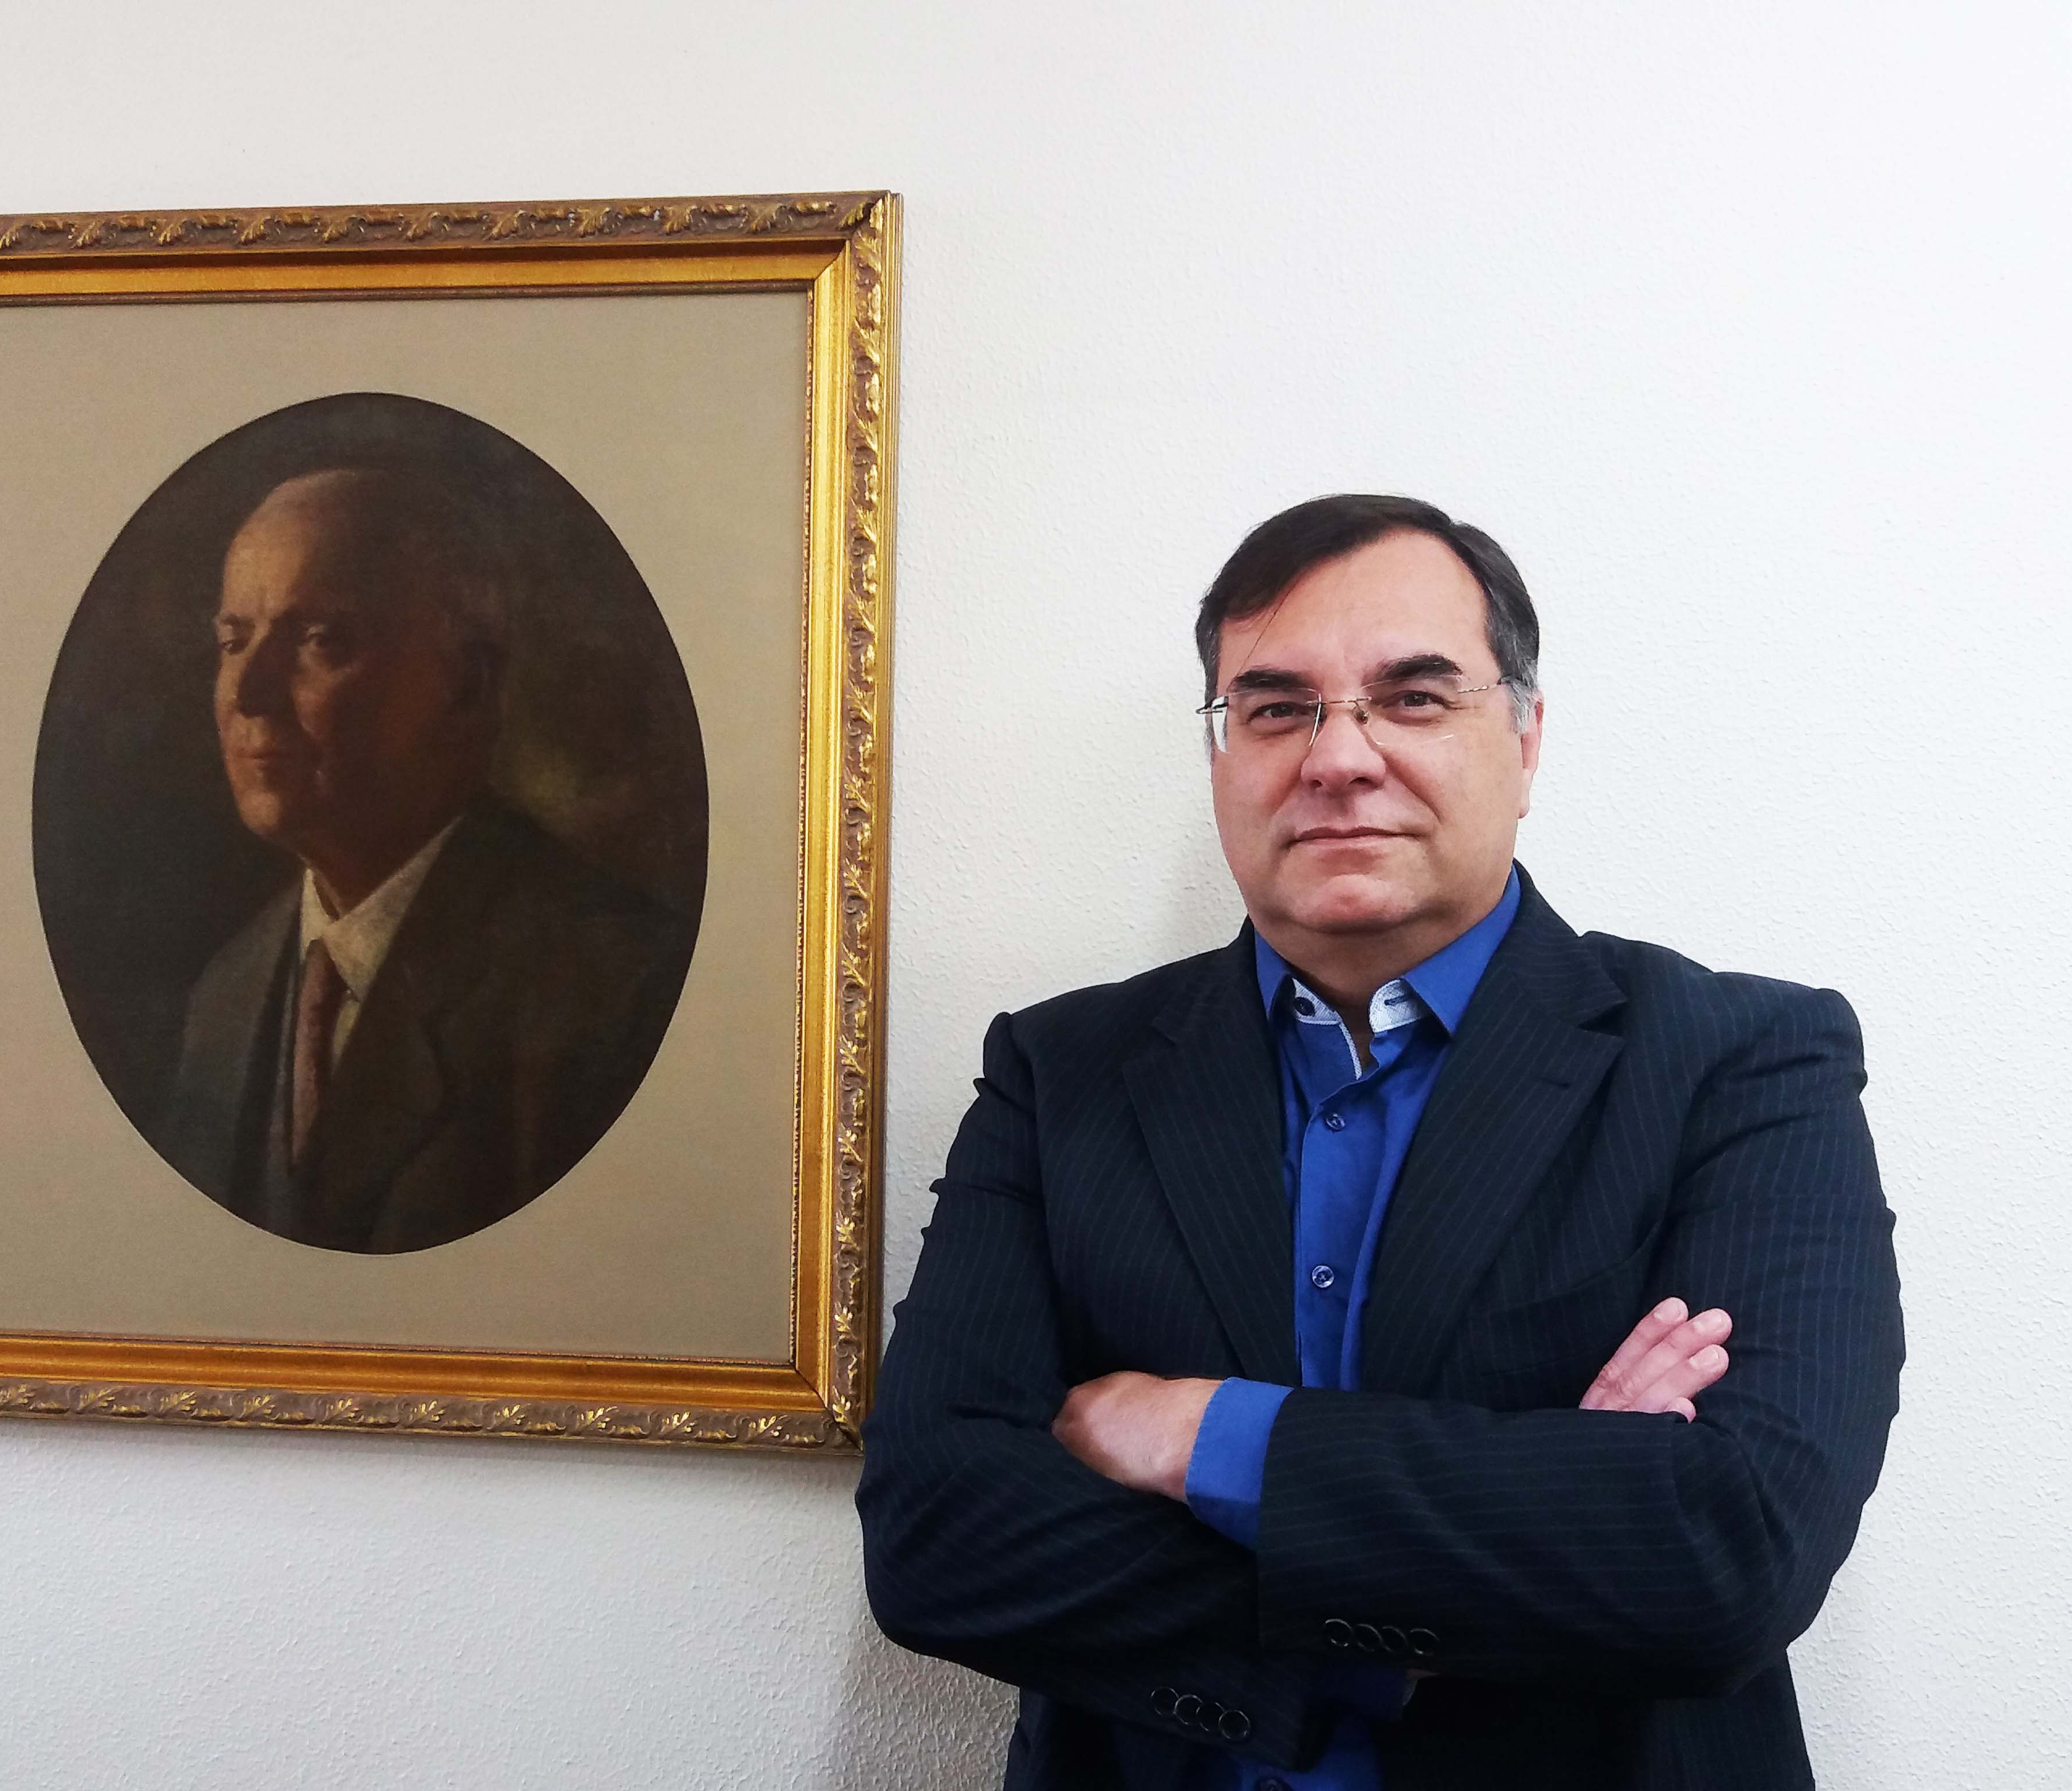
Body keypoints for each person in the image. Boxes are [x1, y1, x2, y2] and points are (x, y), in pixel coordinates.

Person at [857, 495, 1903, 1789]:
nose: (1338, 757)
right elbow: (935, 1539)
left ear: (1525, 737)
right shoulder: (1060, 1071)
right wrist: (1499, 1561)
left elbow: (1732, 1551)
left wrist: (1201, 1435)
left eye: (1413, 698)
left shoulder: (1741, 1062)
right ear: (1222, 751)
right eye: (1276, 708)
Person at [161, 467, 694, 1254]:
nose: (250, 693)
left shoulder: (618, 989)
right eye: (234, 641)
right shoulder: (226, 995)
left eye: (320, 641)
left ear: (468, 686)